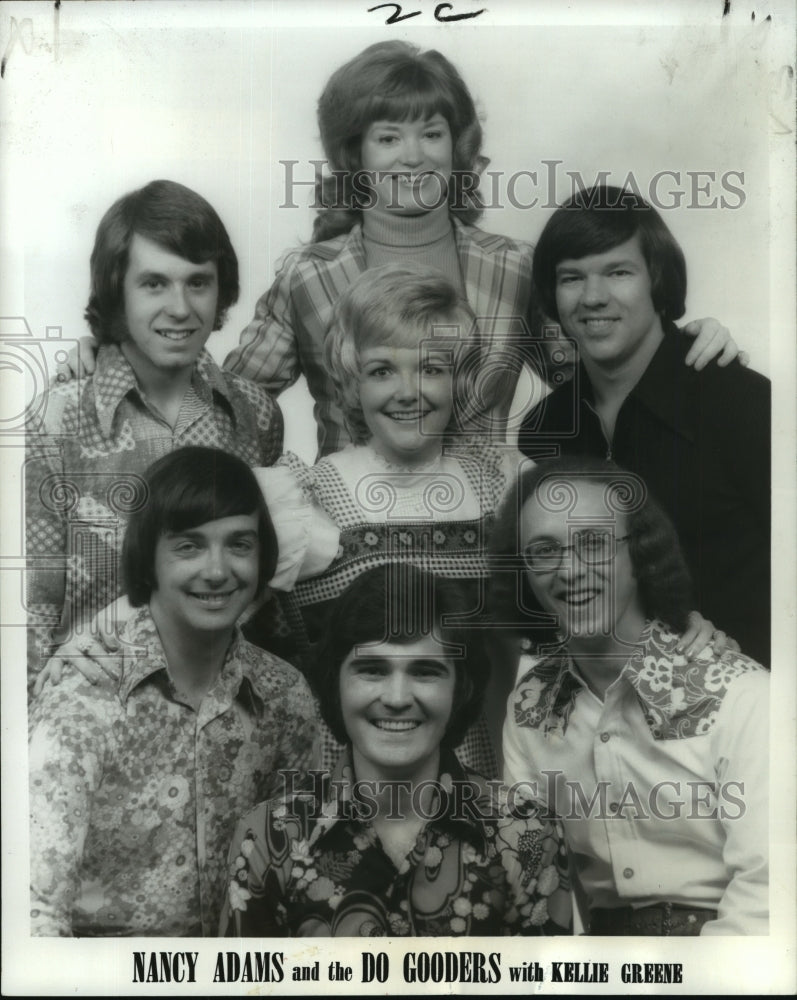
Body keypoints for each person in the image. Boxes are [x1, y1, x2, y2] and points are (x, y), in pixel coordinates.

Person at [64, 43, 742, 454]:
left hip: (488, 541)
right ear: (352, 155)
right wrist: (116, 354)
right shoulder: (309, 276)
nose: (412, 156)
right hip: (349, 541)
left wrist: (681, 346)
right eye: (387, 136)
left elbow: (596, 377)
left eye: (432, 132)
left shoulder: (511, 266)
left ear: (458, 147)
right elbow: (232, 405)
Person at [29, 447, 317, 936]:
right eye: (189, 546)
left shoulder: (284, 698)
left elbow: (294, 879)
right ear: (150, 560)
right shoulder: (83, 697)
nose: (218, 569)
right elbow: (35, 909)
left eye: (240, 544)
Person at [251, 263, 526, 775]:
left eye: (431, 368)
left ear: (458, 377)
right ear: (354, 383)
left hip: (476, 775)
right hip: (347, 782)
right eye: (382, 371)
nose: (407, 391)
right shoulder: (305, 499)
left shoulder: (502, 482)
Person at [490, 457, 769, 936]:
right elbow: (534, 881)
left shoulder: (740, 694)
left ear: (641, 556)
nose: (569, 570)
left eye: (594, 543)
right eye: (543, 550)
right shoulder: (529, 710)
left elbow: (770, 891)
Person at [219, 564, 572, 937]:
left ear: (461, 689)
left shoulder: (527, 832)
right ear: (334, 683)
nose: (398, 698)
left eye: (425, 671)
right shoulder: (269, 837)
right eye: (372, 670)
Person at [25, 179, 283, 685]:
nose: (181, 308)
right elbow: (31, 612)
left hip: (221, 711)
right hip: (98, 708)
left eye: (198, 281)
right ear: (117, 291)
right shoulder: (56, 421)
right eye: (155, 284)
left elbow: (261, 583)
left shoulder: (255, 415)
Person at [517, 185, 770, 665]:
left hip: (750, 696)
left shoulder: (742, 402)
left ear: (657, 279)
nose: (593, 297)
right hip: (608, 703)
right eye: (571, 277)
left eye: (617, 272)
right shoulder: (543, 429)